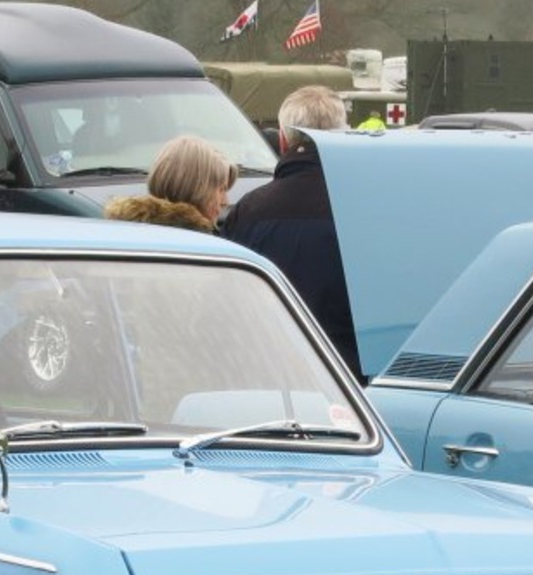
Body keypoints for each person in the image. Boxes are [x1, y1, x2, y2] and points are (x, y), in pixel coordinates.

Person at [222, 85, 364, 382]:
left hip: (268, 369)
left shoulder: (248, 210)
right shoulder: (366, 207)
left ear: (283, 140)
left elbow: (231, 301)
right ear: (342, 134)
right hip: (350, 375)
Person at [102, 135, 236, 233]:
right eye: (221, 189)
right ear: (197, 189)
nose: (225, 201)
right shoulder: (197, 249)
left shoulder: (119, 233)